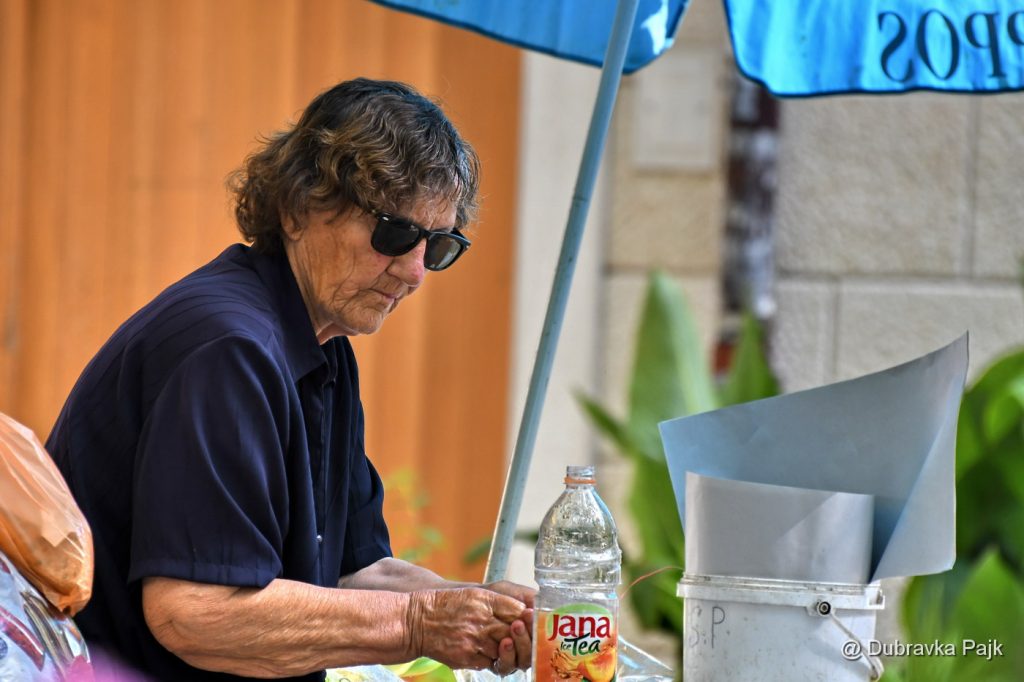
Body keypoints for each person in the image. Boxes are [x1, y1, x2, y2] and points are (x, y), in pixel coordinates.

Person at [46, 78, 534, 681]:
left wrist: (488, 612)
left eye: (437, 247)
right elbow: (195, 614)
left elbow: (356, 572)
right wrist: (418, 623)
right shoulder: (228, 348)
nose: (414, 273)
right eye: (394, 234)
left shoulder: (321, 345)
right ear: (299, 209)